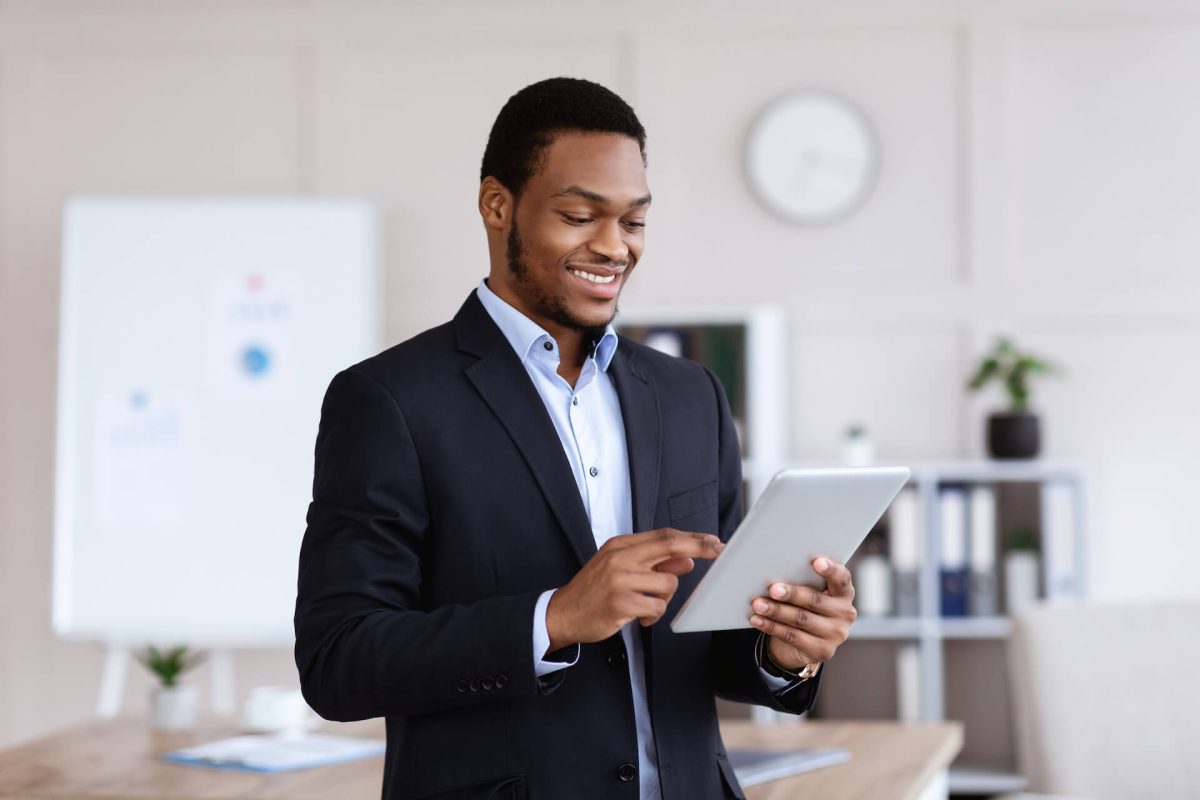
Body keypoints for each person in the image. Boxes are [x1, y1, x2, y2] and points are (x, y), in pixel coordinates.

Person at [294, 77, 858, 800]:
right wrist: (555, 618)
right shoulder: (389, 401)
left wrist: (781, 651)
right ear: (498, 206)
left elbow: (707, 646)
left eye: (634, 222)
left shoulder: (691, 398)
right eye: (579, 215)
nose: (613, 246)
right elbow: (338, 663)